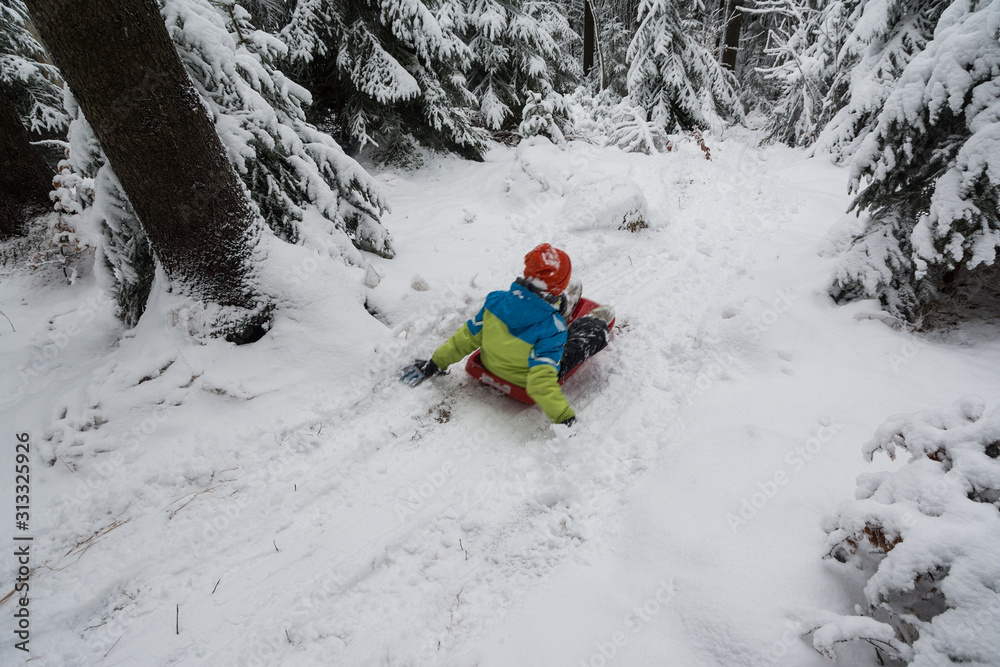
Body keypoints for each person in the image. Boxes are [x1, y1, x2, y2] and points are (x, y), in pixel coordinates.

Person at [400, 243, 614, 426]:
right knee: (582, 341)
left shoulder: (496, 302)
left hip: (491, 364)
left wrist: (435, 363)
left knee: (543, 324)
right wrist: (564, 418)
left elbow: (464, 338)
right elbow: (540, 383)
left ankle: (560, 303)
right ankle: (591, 321)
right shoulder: (554, 329)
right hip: (525, 376)